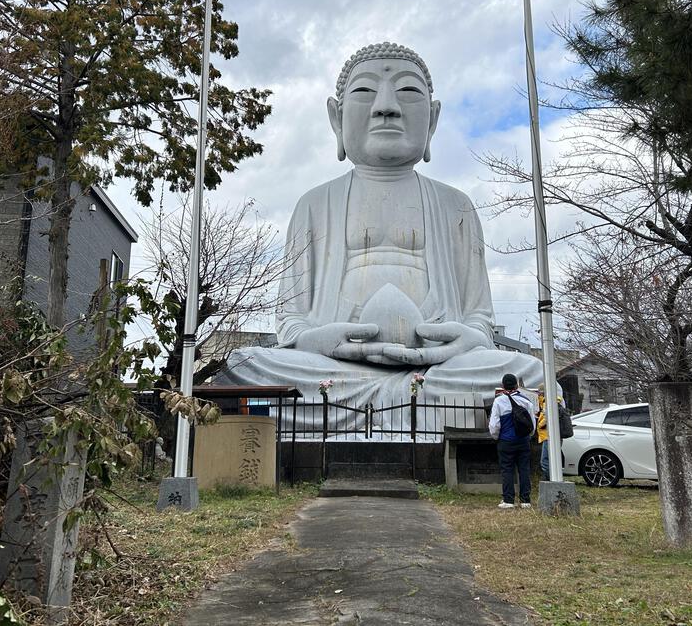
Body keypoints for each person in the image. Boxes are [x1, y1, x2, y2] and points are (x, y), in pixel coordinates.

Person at [219, 43, 542, 428]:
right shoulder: (315, 204)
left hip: (438, 366)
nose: (386, 106)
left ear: (433, 120)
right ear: (336, 119)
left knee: (530, 372)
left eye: (407, 91)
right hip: (332, 366)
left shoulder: (455, 205)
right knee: (246, 364)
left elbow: (479, 318)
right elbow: (291, 319)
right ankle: (410, 407)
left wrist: (467, 339)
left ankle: (375, 408)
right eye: (364, 91)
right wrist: (316, 340)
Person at [488, 373, 537, 508]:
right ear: (516, 385)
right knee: (524, 469)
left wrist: (496, 437)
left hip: (506, 441)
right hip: (523, 441)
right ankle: (525, 500)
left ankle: (508, 500)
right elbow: (532, 425)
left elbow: (494, 425)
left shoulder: (499, 401)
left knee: (507, 470)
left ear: (503, 386)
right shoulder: (526, 401)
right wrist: (528, 436)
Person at [536, 388, 566, 477]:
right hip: (556, 434)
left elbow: (546, 417)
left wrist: (539, 425)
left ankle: (549, 479)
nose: (538, 395)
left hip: (548, 435)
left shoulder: (548, 402)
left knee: (545, 461)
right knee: (554, 459)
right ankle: (555, 478)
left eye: (539, 393)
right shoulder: (558, 401)